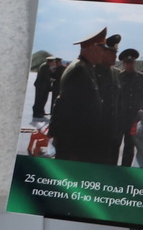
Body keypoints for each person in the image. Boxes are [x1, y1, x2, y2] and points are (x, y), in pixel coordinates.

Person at [51, 29, 123, 163]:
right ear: (91, 48)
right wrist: (73, 149)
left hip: (84, 143)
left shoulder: (86, 68)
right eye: (102, 48)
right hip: (75, 146)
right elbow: (68, 113)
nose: (103, 53)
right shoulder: (79, 70)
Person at [115, 48, 143, 165]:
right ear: (124, 63)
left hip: (134, 118)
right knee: (115, 145)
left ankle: (125, 171)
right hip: (119, 118)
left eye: (132, 62)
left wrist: (142, 116)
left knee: (129, 147)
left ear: (135, 62)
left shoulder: (142, 78)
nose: (130, 65)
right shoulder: (118, 77)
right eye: (127, 62)